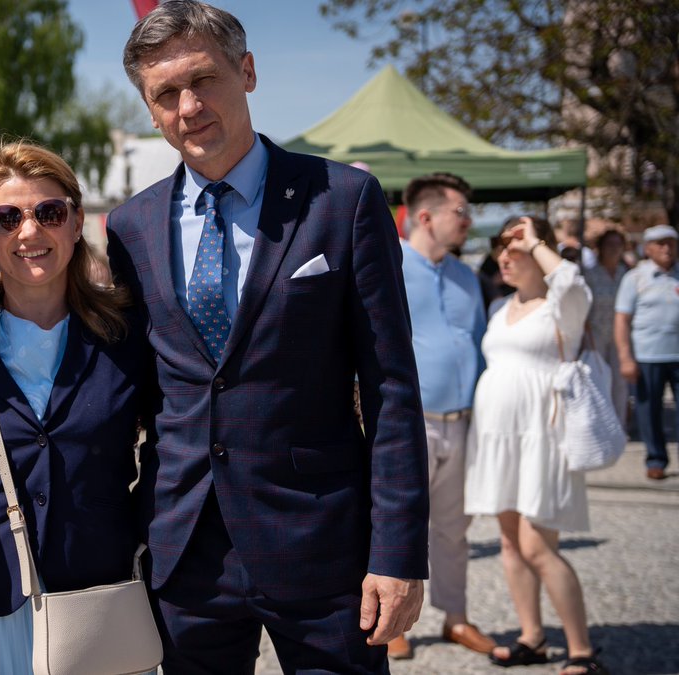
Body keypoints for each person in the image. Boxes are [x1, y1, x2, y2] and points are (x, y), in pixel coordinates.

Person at [106, 3, 429, 671]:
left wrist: (397, 553)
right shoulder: (130, 227)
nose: (189, 106)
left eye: (204, 80)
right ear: (150, 108)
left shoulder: (341, 199)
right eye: (166, 93)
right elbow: (129, 389)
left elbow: (391, 388)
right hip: (186, 554)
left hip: (323, 549)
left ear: (246, 71)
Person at [0, 140, 148, 673]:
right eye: (6, 217)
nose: (29, 232)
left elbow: (175, 449)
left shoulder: (126, 339)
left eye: (49, 212)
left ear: (76, 222)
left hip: (100, 604)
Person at [465, 217, 607, 675]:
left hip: (541, 438)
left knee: (537, 545)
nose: (504, 257)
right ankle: (533, 636)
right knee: (509, 542)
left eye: (516, 247)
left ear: (538, 249)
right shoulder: (500, 307)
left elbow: (571, 281)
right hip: (498, 439)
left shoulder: (560, 306)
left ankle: (581, 650)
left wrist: (538, 243)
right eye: (502, 248)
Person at [390, 173, 494, 659]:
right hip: (411, 423)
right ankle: (389, 625)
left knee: (456, 529)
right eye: (461, 211)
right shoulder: (389, 266)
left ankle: (456, 617)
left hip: (464, 421)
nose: (469, 222)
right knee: (395, 525)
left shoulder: (466, 275)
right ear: (426, 216)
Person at [615, 224, 679, 481]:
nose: (666, 248)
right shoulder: (635, 278)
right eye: (660, 243)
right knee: (649, 410)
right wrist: (625, 356)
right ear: (648, 248)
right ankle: (656, 459)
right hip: (647, 355)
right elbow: (622, 319)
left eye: (671, 243)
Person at [584, 227, 631, 426]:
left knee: (620, 384)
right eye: (609, 245)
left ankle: (618, 425)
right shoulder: (590, 274)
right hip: (595, 334)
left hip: (621, 337)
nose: (613, 249)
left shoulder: (627, 275)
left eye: (617, 245)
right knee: (598, 380)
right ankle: (600, 425)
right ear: (601, 248)